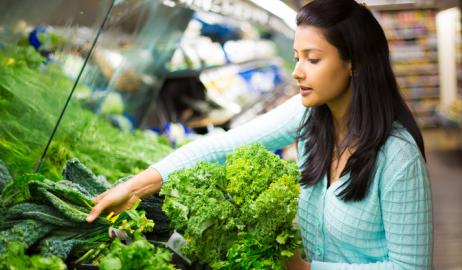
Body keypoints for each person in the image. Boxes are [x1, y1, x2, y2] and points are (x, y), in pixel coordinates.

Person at [87, 0, 433, 269]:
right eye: (297, 57)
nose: (297, 72)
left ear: (353, 62)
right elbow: (222, 146)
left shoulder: (398, 158)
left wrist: (307, 269)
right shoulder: (310, 116)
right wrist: (134, 186)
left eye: (312, 59)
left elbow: (409, 267)